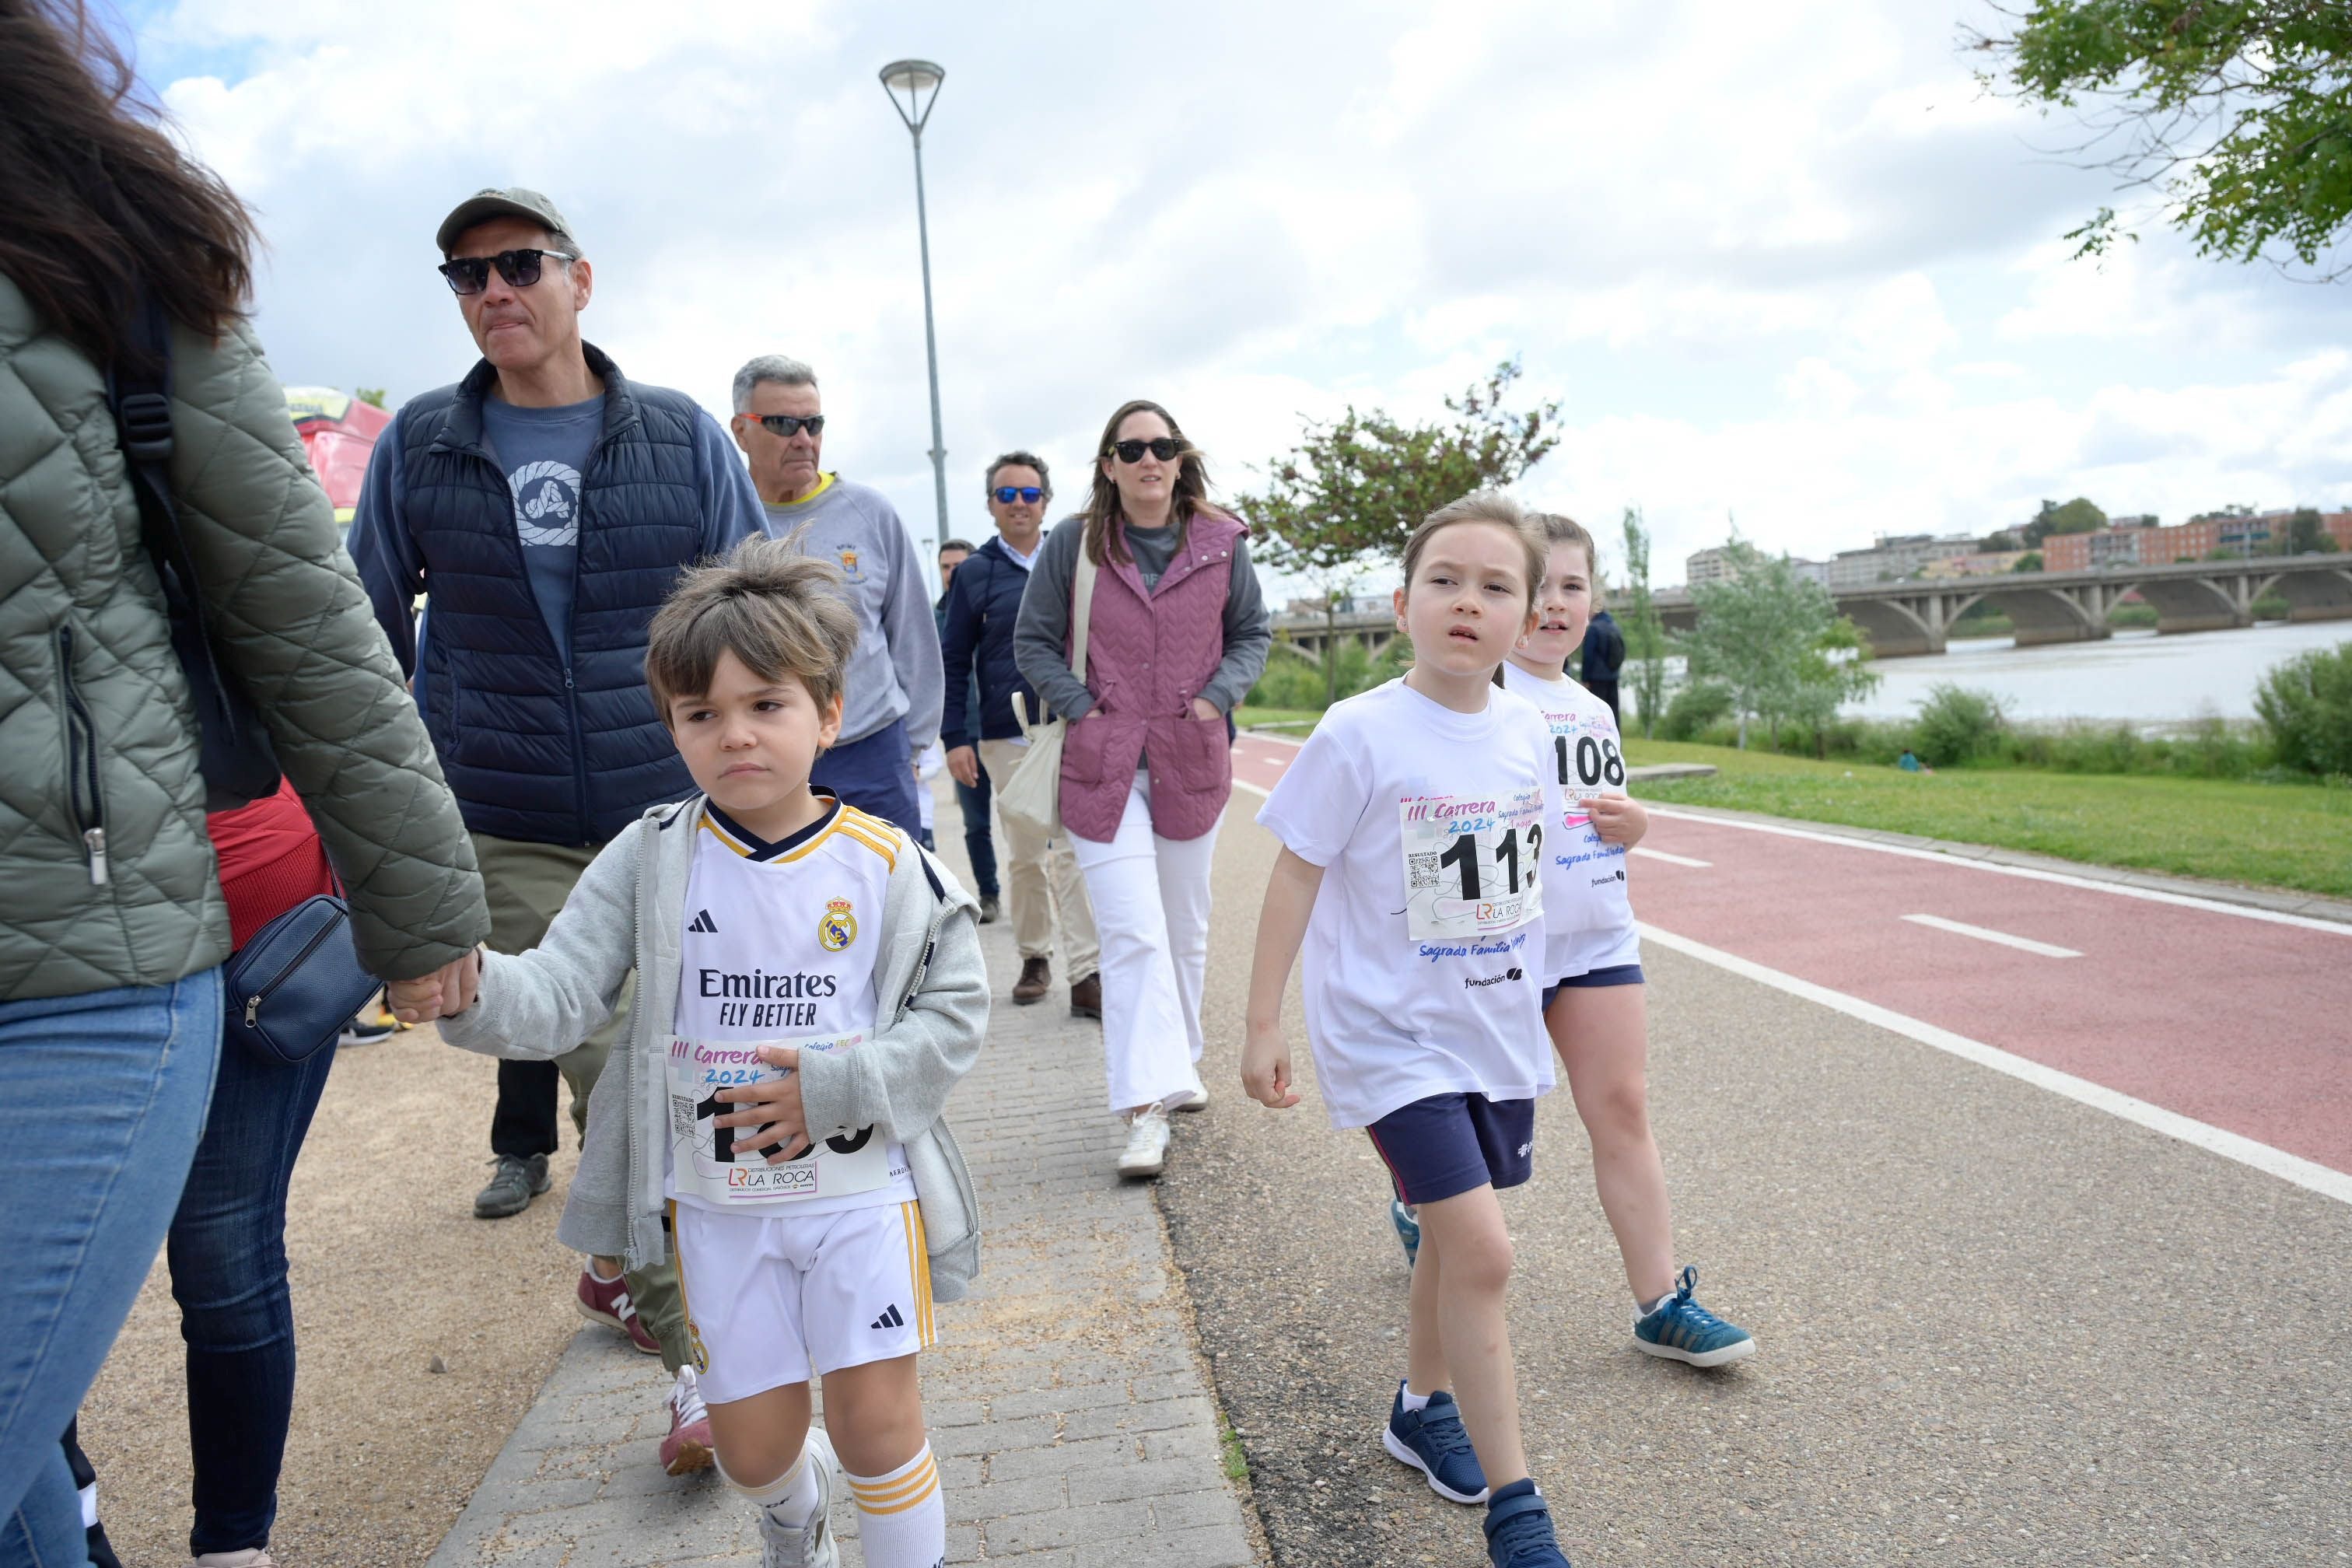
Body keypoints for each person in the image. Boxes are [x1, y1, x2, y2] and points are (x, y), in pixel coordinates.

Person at [0, 7, 487, 1559]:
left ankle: (239, 1537)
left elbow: (309, 613)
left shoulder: (106, 246)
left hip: (101, 954)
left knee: (223, 1256)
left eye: (517, 266)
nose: (499, 293)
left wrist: (417, 913)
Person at [414, 537, 988, 1568]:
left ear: (828, 713)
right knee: (753, 1451)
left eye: (766, 705)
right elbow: (552, 996)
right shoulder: (652, 854)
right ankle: (789, 1521)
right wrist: (468, 987)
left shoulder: (890, 864)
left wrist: (838, 1087)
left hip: (860, 1196)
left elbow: (955, 1014)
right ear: (671, 725)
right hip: (716, 1211)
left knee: (878, 1427)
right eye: (702, 714)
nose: (736, 735)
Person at [346, 184, 759, 1463]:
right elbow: (357, 636)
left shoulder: (681, 437)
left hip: (675, 816)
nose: (494, 292)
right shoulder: (421, 445)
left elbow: (759, 617)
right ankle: (701, 1367)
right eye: (466, 277)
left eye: (518, 264)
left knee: (702, 1070)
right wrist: (394, 829)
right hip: (510, 824)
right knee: (626, 1069)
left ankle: (625, 1266)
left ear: (583, 280)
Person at [1243, 490, 1577, 1568]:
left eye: (1494, 587)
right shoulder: (1358, 733)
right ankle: (1518, 1512)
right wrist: (1262, 1026)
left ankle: (1419, 1404)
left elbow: (1530, 887)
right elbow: (1294, 873)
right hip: (1389, 1038)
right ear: (1402, 604)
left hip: (1492, 1035)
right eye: (1445, 581)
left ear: (1526, 618)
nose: (1467, 604)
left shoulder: (1527, 729)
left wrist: (1549, 1009)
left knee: (1451, 1235)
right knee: (1482, 1247)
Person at [1492, 513, 1753, 1369]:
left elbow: (1601, 815)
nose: (1553, 605)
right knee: (1482, 1121)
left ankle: (1660, 1305)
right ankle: (1423, 1209)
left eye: (1571, 586)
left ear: (1592, 599)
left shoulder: (1594, 709)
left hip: (1599, 938)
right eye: (1536, 586)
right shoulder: (1479, 697)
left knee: (1623, 1107)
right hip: (1500, 948)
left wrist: (1635, 824)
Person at [1013, 403, 1269, 1179]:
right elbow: (1032, 641)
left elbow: (1253, 632)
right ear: (1109, 465)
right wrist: (1083, 705)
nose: (1149, 458)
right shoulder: (1076, 543)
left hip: (1190, 756)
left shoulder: (1223, 542)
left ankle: (1179, 1063)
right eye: (1133, 448)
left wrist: (1215, 698)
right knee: (1132, 933)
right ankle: (1144, 1108)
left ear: (1180, 458)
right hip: (1104, 762)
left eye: (1162, 446)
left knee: (1186, 928)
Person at [730, 355, 943, 838]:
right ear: (741, 431)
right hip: (760, 759)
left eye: (813, 424)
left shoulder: (871, 513)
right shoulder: (723, 516)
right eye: (783, 424)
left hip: (872, 753)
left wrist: (913, 749)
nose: (803, 440)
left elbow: (914, 639)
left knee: (895, 906)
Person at [943, 453, 1102, 1014]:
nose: (1019, 505)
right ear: (990, 504)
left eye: (1029, 494)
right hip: (1007, 734)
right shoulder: (974, 574)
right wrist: (954, 737)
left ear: (1047, 501)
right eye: (1006, 495)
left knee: (1077, 854)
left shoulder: (1079, 560)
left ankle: (1087, 973)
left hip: (1077, 726)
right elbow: (954, 659)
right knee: (1028, 855)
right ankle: (1036, 956)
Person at [933, 537, 1000, 919]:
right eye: (945, 567)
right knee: (977, 824)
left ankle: (1042, 896)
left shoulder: (991, 608)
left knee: (1032, 821)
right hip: (965, 736)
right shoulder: (935, 621)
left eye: (960, 565)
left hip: (1004, 729)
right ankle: (989, 894)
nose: (953, 573)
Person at [1578, 605, 1624, 723]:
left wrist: (1584, 679)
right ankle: (1616, 740)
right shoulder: (1615, 626)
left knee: (1597, 711)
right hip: (1613, 675)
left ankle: (1598, 738)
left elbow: (1588, 655)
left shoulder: (1594, 628)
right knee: (1614, 711)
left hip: (1596, 677)